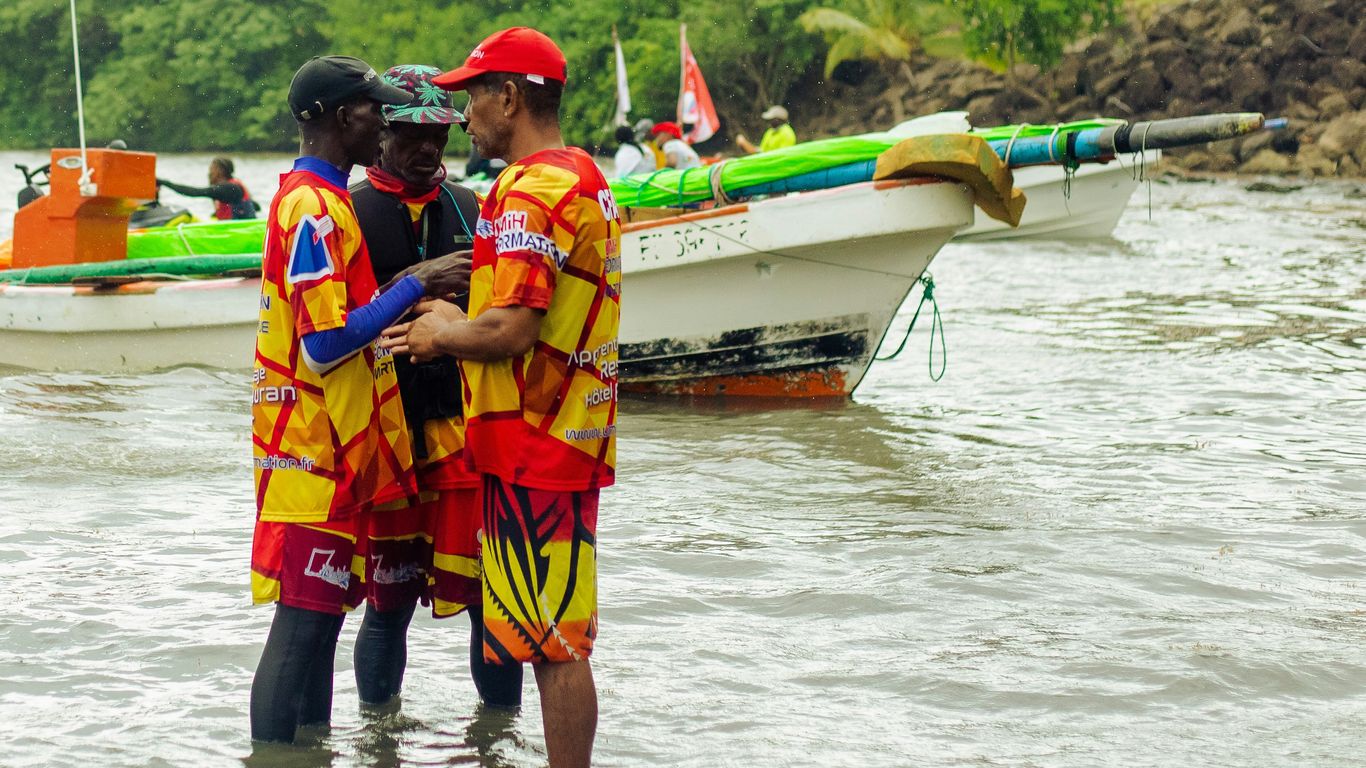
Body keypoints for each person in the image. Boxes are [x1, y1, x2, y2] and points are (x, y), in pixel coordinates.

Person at [382, 27, 620, 768]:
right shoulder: (587, 179)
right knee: (555, 635)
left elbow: (512, 329)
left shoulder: (526, 190)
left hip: (529, 448)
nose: (464, 118)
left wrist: (440, 333)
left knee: (553, 645)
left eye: (472, 98)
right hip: (571, 437)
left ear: (510, 97)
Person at [248, 54, 437, 744]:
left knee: (322, 624)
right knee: (301, 625)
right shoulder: (310, 207)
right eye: (374, 108)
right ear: (336, 117)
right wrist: (416, 282)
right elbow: (324, 344)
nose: (384, 122)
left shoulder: (323, 199)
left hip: (334, 447)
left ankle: (313, 755)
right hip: (310, 448)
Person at [347, 63, 522, 708]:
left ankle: (498, 739)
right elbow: (325, 327)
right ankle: (377, 736)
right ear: (380, 133)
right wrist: (416, 287)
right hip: (385, 434)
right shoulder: (351, 212)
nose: (427, 149)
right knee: (386, 605)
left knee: (488, 602)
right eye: (412, 134)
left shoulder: (476, 207)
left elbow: (511, 308)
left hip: (461, 430)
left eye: (439, 135)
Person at [157, 157, 259, 219]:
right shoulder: (235, 185)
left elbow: (194, 192)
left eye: (212, 170)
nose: (209, 173)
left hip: (238, 230)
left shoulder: (227, 189)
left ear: (221, 171)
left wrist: (164, 183)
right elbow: (256, 207)